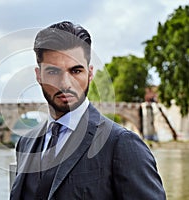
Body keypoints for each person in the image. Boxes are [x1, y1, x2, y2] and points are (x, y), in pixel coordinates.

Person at [10, 21, 166, 200]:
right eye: (53, 72)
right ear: (38, 75)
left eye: (76, 71)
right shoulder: (26, 143)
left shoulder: (121, 144)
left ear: (90, 74)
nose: (65, 83)